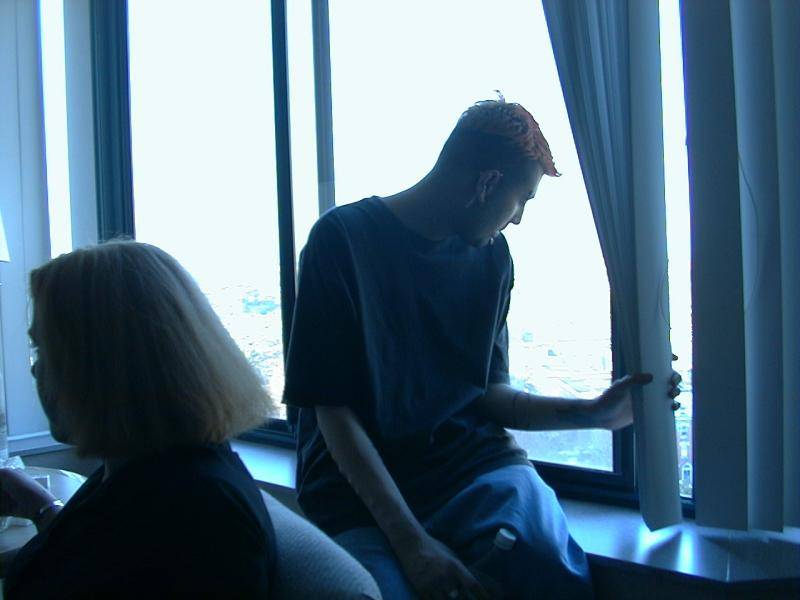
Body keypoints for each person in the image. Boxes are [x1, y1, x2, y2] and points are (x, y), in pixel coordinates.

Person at [284, 98, 679, 599]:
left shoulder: (493, 260)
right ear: (487, 183)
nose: (518, 220)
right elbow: (334, 415)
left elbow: (489, 394)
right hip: (355, 490)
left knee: (549, 566)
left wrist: (594, 413)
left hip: (468, 465)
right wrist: (413, 544)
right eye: (523, 200)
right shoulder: (340, 241)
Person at [0, 241, 276, 598]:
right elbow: (93, 561)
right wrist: (42, 507)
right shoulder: (145, 470)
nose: (36, 369)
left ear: (105, 367)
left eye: (46, 350)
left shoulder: (199, 515)